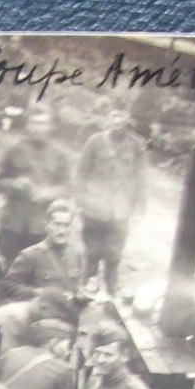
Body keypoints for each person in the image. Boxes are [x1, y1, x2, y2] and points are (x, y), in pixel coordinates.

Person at [73, 107, 148, 296]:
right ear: (108, 118)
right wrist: (80, 201)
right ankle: (84, 296)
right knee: (91, 256)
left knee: (113, 259)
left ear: (128, 118)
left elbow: (142, 180)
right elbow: (81, 172)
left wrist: (139, 209)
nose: (117, 120)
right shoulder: (95, 141)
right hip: (94, 209)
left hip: (120, 212)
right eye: (114, 115)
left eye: (121, 115)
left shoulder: (137, 145)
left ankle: (111, 298)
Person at [0, 105, 69, 265]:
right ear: (28, 125)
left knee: (38, 269)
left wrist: (48, 193)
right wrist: (14, 184)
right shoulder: (14, 150)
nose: (38, 128)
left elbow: (68, 188)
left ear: (50, 127)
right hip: (14, 223)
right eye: (34, 123)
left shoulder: (59, 155)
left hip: (41, 225)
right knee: (8, 268)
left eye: (42, 123)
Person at [0, 197, 85, 305]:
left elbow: (76, 288)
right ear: (46, 226)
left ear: (71, 228)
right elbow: (7, 286)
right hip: (42, 314)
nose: (61, 231)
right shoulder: (31, 255)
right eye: (57, 224)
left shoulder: (75, 254)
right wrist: (36, 293)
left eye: (66, 225)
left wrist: (83, 294)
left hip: (69, 313)